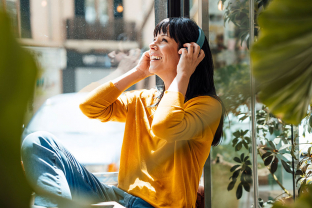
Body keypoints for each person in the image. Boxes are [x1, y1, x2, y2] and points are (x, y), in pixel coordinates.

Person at [21, 17, 224, 208]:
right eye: (153, 39)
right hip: (120, 196)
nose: (152, 45)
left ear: (188, 52)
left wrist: (183, 74)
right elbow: (89, 106)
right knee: (39, 142)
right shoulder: (144, 99)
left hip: (155, 205)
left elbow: (165, 126)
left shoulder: (207, 107)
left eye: (163, 40)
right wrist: (138, 72)